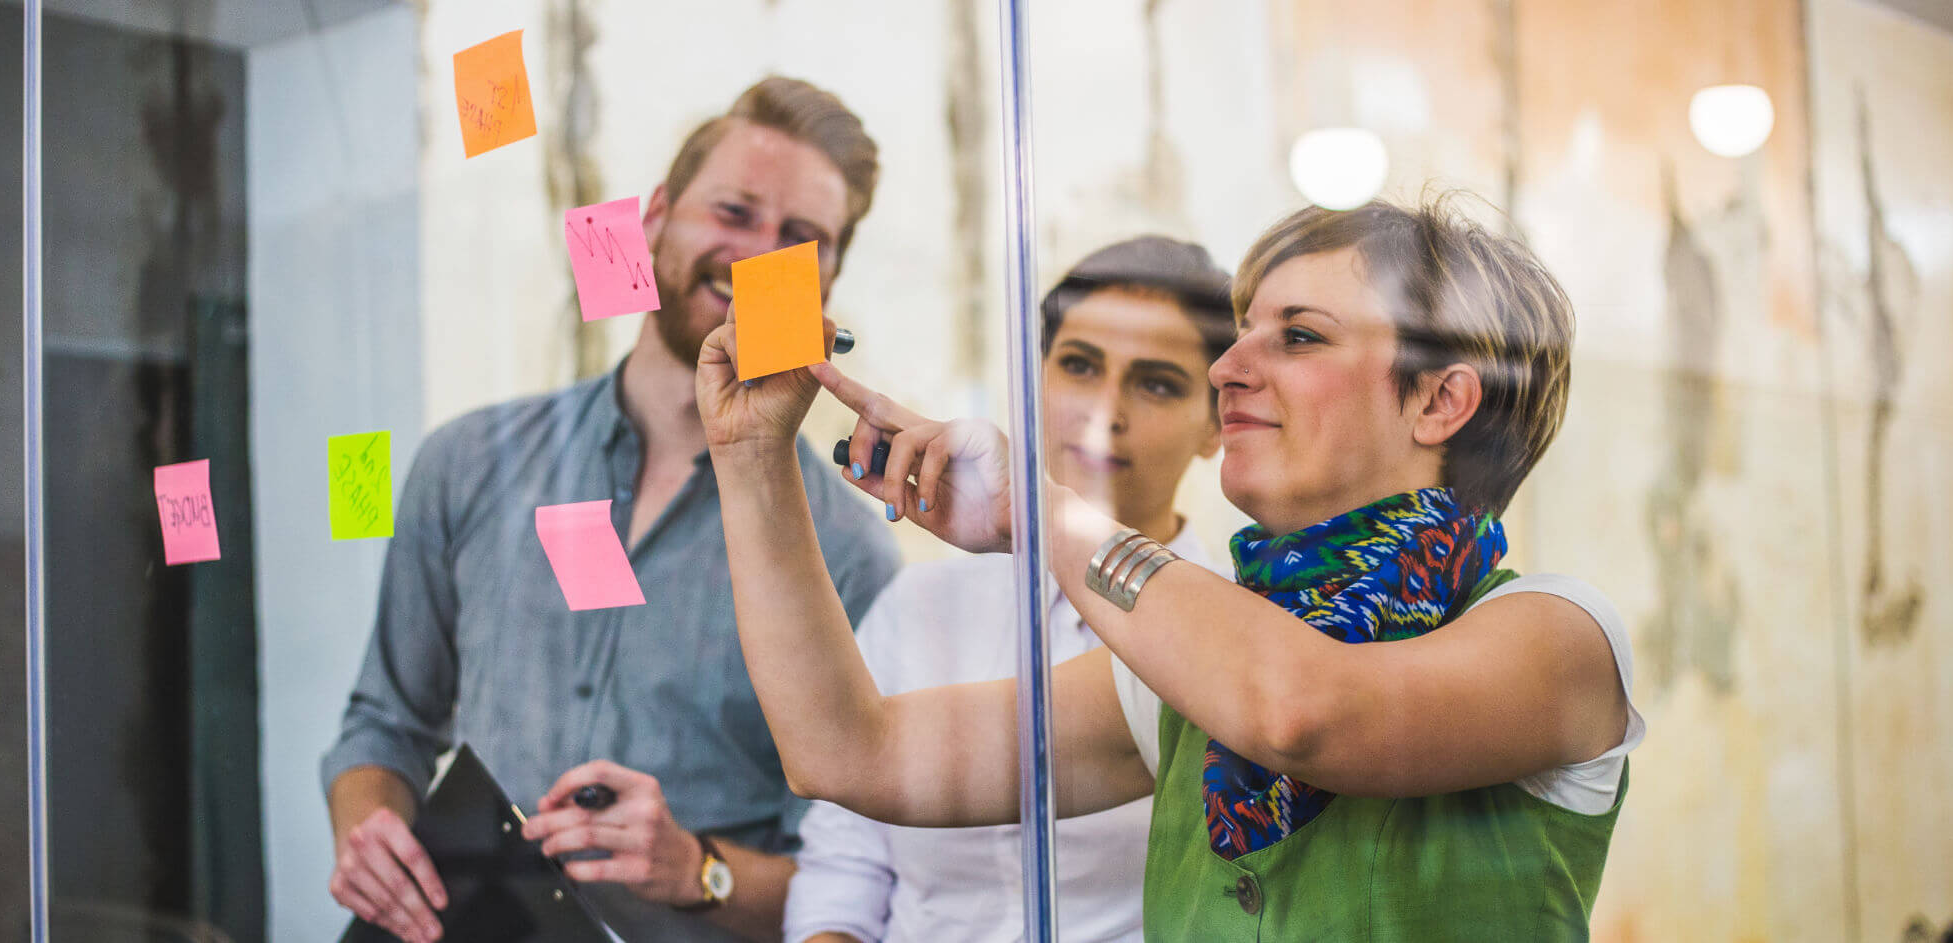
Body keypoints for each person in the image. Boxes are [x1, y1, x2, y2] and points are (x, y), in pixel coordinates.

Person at [697, 197, 1646, 940]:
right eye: (1241, 331)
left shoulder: (1562, 633)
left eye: (1299, 334)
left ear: (1441, 400)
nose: (1229, 367)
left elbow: (1300, 712)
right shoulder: (1186, 669)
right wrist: (751, 458)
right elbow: (847, 752)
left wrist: (1038, 510)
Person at [322, 77, 900, 943]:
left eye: (800, 238)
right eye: (734, 211)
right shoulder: (471, 462)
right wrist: (367, 828)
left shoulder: (850, 552)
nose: (755, 256)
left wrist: (697, 867)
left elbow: (854, 881)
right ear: (658, 214)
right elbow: (386, 721)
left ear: (828, 278)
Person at [784, 237, 1234, 943]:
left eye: (1157, 383)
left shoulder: (1236, 630)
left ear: (1215, 425)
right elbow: (845, 859)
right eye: (1080, 366)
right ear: (1038, 376)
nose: (1104, 410)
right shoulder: (922, 602)